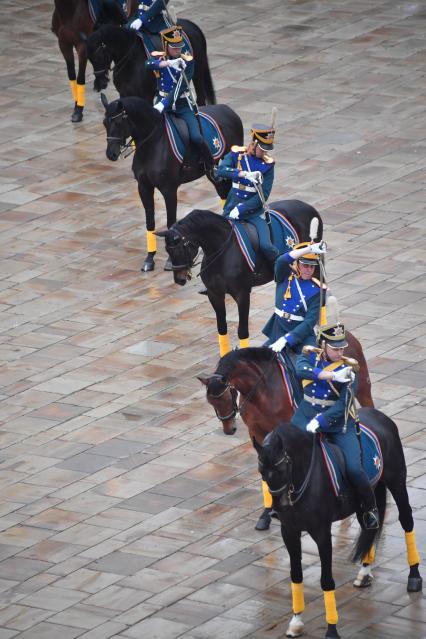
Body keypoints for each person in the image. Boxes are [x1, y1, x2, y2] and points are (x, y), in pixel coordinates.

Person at [291, 306, 379, 530]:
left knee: (354, 468)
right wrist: (330, 374)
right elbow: (300, 370)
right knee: (282, 453)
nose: (340, 353)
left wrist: (320, 422)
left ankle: (369, 508)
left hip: (338, 424)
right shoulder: (310, 355)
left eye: (342, 349)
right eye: (335, 349)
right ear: (323, 346)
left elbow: (343, 405)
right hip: (306, 415)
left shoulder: (349, 369)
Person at [145, 26, 215, 170]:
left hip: (182, 105)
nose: (178, 51)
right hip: (162, 103)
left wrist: (162, 104)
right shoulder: (161, 57)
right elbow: (147, 64)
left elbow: (180, 87)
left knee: (196, 137)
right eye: (174, 48)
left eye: (179, 47)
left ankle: (211, 165)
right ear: (166, 46)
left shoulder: (187, 62)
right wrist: (167, 63)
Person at [214, 123, 279, 269]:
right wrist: (242, 174)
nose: (264, 153)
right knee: (218, 242)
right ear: (254, 144)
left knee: (266, 246)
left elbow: (264, 195)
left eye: (266, 150)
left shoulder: (268, 166)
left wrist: (242, 208)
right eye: (262, 149)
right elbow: (221, 171)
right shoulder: (237, 155)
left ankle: (277, 270)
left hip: (254, 212)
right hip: (232, 205)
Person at [263, 241, 327, 354]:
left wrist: (287, 339)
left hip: (300, 334)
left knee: (307, 365)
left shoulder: (317, 290)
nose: (309, 270)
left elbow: (309, 322)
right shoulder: (285, 275)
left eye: (312, 267)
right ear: (297, 264)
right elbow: (281, 260)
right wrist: (309, 249)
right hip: (278, 328)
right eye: (305, 265)